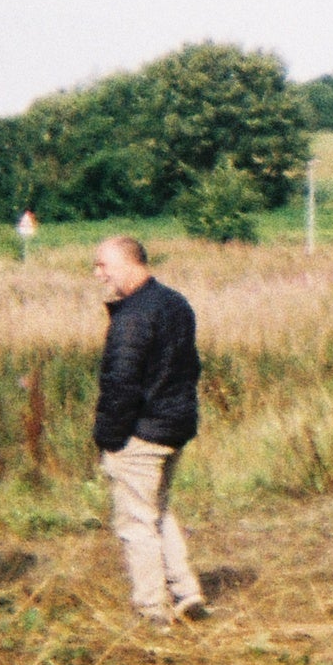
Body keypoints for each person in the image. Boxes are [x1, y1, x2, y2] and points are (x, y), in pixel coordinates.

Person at [89, 233, 206, 625]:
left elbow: (121, 383)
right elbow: (191, 368)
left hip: (143, 433)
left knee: (136, 523)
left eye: (103, 265)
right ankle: (186, 593)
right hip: (175, 426)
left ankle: (152, 611)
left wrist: (108, 438)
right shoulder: (175, 302)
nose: (98, 274)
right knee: (158, 512)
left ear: (128, 263)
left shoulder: (133, 316)